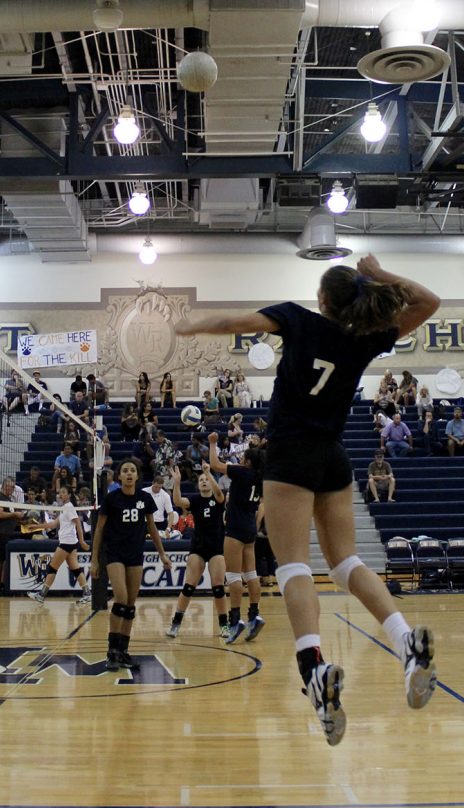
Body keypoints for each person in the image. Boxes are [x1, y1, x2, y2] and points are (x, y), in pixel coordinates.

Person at [175, 253, 439, 746]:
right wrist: (378, 274)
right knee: (346, 564)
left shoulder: (297, 319)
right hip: (333, 457)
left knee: (294, 566)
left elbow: (236, 321)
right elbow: (429, 301)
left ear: (322, 301)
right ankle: (405, 641)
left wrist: (194, 326)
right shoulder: (362, 336)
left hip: (291, 456)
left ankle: (315, 668)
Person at [90, 458, 171, 671]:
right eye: (124, 470)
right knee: (121, 599)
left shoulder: (144, 499)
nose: (128, 473)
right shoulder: (111, 499)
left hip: (135, 554)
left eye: (132, 471)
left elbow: (152, 529)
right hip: (114, 553)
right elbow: (99, 530)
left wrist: (162, 554)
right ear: (119, 476)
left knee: (131, 605)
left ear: (136, 476)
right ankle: (111, 652)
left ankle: (123, 651)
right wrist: (94, 559)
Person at [205, 432, 264, 643]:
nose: (240, 460)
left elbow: (215, 463)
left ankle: (235, 619)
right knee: (251, 573)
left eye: (243, 458)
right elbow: (263, 504)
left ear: (247, 461)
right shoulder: (260, 477)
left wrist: (212, 443)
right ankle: (254, 615)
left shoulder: (243, 472)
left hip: (236, 527)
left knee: (233, 576)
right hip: (249, 527)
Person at [166, 463, 230, 640]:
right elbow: (178, 502)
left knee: (218, 589)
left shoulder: (218, 499)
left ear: (211, 482)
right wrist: (177, 482)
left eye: (206, 480)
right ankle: (176, 623)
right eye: (201, 480)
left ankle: (224, 625)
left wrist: (209, 473)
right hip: (198, 547)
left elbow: (219, 495)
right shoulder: (194, 500)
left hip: (216, 547)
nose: (204, 482)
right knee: (188, 587)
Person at [27, 486, 91, 604]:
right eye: (59, 492)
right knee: (75, 569)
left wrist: (82, 541)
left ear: (69, 495)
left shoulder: (69, 507)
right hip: (70, 542)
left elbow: (78, 523)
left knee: (52, 568)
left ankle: (41, 595)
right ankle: (87, 593)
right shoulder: (64, 508)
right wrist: (36, 527)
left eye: (63, 492)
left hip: (67, 542)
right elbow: (52, 524)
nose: (60, 494)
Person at [0, 477, 25, 594]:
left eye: (14, 487)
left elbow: (10, 516)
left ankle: (4, 583)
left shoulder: (8, 500)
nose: (13, 489)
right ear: (5, 486)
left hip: (6, 533)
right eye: (12, 487)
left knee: (4, 559)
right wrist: (15, 514)